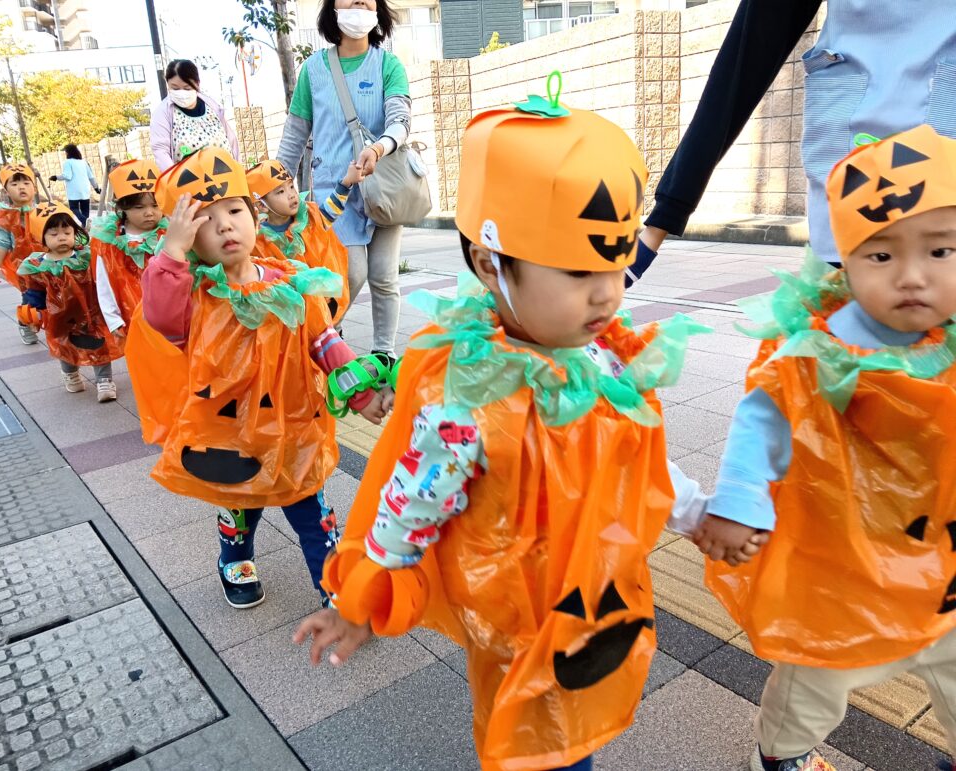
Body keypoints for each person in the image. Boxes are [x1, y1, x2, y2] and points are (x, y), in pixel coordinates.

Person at [293, 87, 737, 771]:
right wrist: (361, 599)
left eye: (615, 266)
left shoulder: (600, 355)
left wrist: (692, 513)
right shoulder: (471, 395)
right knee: (536, 746)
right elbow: (410, 504)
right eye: (579, 272)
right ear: (488, 264)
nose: (607, 292)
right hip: (515, 617)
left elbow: (631, 454)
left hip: (593, 596)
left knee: (569, 730)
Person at [695, 125, 956, 771]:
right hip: (843, 569)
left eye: (941, 250)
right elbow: (766, 413)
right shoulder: (822, 349)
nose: (913, 277)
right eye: (880, 255)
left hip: (945, 569)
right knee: (815, 679)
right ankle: (783, 756)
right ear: (843, 259)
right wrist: (739, 496)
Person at [125, 147, 390, 610]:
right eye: (205, 220)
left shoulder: (293, 281)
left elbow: (323, 340)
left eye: (233, 210)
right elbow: (161, 316)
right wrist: (171, 252)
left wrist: (361, 391)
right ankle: (234, 559)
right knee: (241, 505)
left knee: (312, 510)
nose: (224, 225)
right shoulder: (196, 298)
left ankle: (335, 589)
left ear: (254, 214)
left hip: (293, 425)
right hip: (229, 433)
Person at [637, 0, 956, 277]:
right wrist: (663, 219)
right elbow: (748, 58)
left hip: (934, 176)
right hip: (856, 185)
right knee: (855, 332)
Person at [277, 0, 411, 368]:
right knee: (349, 275)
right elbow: (295, 135)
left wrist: (380, 147)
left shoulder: (388, 65)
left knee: (384, 276)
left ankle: (384, 352)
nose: (359, 3)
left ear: (378, 9)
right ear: (331, 7)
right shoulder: (313, 70)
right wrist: (272, 184)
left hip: (382, 186)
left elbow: (400, 120)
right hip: (333, 192)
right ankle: (325, 336)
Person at [17, 202, 123, 401]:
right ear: (42, 238)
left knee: (97, 343)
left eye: (67, 232)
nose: (62, 237)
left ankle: (105, 381)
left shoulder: (86, 256)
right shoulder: (38, 265)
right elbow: (34, 292)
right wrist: (33, 314)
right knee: (64, 346)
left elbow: (104, 277)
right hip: (58, 316)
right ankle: (71, 374)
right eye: (54, 234)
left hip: (89, 311)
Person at [247, 158, 360, 324]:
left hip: (322, 304)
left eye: (291, 186)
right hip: (290, 315)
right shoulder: (257, 240)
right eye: (280, 192)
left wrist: (347, 182)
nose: (291, 194)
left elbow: (330, 211)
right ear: (262, 206)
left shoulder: (309, 217)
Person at [90, 159, 167, 340]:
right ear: (123, 208)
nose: (149, 212)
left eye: (155, 206)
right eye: (139, 207)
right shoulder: (109, 240)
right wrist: (113, 319)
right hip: (131, 317)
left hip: (170, 316)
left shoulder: (169, 233)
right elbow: (103, 281)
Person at [150, 59, 240, 171]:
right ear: (167, 84)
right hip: (188, 182)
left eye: (187, 88)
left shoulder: (212, 107)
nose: (181, 92)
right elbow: (160, 150)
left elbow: (231, 141)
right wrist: (175, 181)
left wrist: (239, 171)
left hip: (225, 176)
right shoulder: (163, 113)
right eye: (175, 88)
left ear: (197, 84)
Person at [0, 163, 43, 345]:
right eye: (15, 184)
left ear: (34, 188)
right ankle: (24, 323)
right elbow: (2, 242)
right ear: (6, 191)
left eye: (26, 183)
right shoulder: (5, 217)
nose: (21, 187)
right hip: (25, 269)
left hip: (50, 264)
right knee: (31, 299)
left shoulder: (44, 211)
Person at [48, 145, 99, 227]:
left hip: (74, 190)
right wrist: (96, 188)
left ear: (68, 153)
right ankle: (85, 226)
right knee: (85, 210)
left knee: (74, 208)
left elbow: (67, 176)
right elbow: (91, 177)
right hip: (85, 189)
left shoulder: (68, 162)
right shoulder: (84, 162)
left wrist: (56, 177)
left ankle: (85, 222)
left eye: (66, 152)